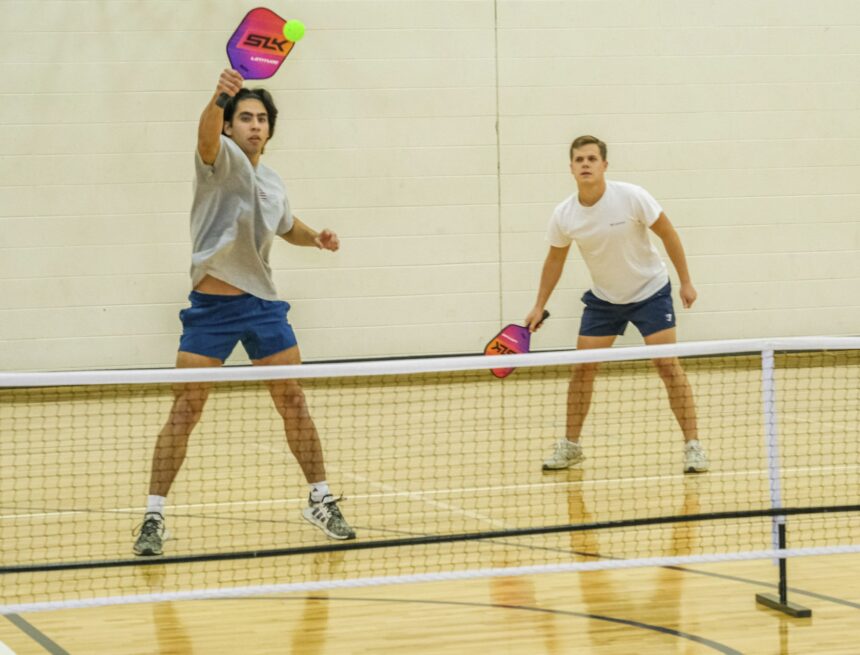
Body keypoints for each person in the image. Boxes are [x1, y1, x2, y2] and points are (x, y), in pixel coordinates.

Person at [133, 69, 355, 557]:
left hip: (262, 306)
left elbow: (285, 224)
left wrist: (315, 237)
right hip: (211, 309)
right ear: (231, 126)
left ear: (269, 130)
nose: (254, 125)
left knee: (293, 400)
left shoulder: (272, 180)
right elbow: (204, 135)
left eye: (261, 119)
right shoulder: (218, 159)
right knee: (186, 409)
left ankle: (319, 499)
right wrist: (220, 97)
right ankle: (153, 515)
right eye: (245, 118)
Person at [525, 135, 709, 474]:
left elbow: (668, 233)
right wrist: (539, 305)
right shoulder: (565, 215)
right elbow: (554, 260)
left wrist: (685, 281)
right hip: (605, 299)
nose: (585, 165)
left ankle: (693, 446)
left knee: (667, 366)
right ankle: (571, 447)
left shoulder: (631, 197)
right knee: (583, 367)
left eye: (592, 159)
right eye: (579, 160)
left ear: (604, 165)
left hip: (650, 291)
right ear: (571, 168)